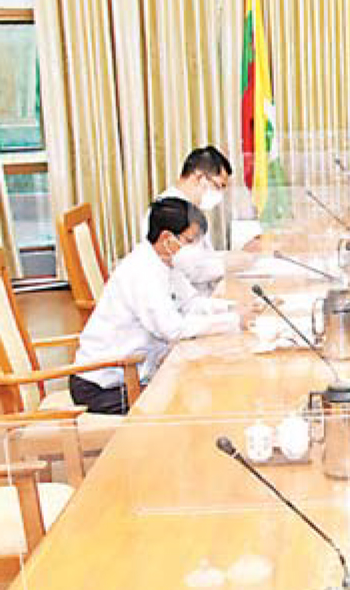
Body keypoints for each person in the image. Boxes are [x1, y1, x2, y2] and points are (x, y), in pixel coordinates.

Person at [71, 197, 250, 414]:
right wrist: (233, 321)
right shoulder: (142, 272)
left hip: (136, 373)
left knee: (202, 384)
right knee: (190, 398)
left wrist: (233, 308)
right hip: (104, 387)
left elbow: (191, 303)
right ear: (166, 238)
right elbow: (173, 330)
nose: (193, 248)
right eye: (190, 241)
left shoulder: (165, 262)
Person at [147, 146, 235, 296]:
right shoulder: (167, 212)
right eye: (218, 186)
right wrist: (227, 265)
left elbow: (203, 257)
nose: (219, 195)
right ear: (200, 177)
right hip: (181, 300)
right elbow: (186, 267)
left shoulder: (191, 209)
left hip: (198, 297)